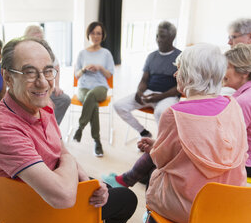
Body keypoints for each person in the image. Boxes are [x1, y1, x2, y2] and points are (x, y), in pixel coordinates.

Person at [0, 37, 137, 223]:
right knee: (128, 199)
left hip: (48, 189)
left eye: (48, 71)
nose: (43, 82)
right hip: (41, 212)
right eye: (30, 73)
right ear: (8, 77)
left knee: (105, 188)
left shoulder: (43, 106)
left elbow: (60, 150)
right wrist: (68, 159)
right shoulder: (1, 129)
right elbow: (63, 195)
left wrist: (89, 182)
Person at [103, 44, 248, 223]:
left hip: (190, 208)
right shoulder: (232, 104)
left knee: (156, 175)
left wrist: (156, 148)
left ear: (190, 74)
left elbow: (161, 160)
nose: (174, 75)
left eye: (178, 69)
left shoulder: (175, 114)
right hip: (231, 203)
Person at [113, 21, 181, 138]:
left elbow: (180, 86)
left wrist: (159, 96)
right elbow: (144, 79)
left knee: (160, 112)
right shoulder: (151, 56)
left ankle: (161, 143)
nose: (158, 39)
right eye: (157, 36)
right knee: (118, 105)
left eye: (162, 36)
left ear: (172, 37)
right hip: (149, 93)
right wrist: (139, 92)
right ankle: (143, 133)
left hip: (168, 96)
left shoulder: (180, 57)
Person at [72, 21, 114, 157]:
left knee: (92, 96)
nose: (96, 36)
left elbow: (109, 75)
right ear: (88, 35)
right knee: (93, 104)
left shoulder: (106, 53)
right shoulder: (82, 53)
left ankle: (80, 127)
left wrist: (100, 68)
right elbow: (76, 75)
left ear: (102, 36)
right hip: (83, 87)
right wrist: (84, 69)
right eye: (93, 33)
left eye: (99, 33)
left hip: (100, 87)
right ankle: (97, 141)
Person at [23, 25, 71, 125]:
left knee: (64, 99)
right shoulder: (24, 54)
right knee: (46, 106)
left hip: (46, 89)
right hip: (31, 92)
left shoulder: (47, 51)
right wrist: (46, 99)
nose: (39, 42)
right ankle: (42, 128)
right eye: (35, 39)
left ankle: (51, 127)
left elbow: (56, 66)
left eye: (40, 38)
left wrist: (56, 86)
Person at [224, 43, 251, 177]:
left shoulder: (243, 101)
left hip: (246, 166)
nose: (223, 71)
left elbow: (230, 141)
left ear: (244, 72)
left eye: (228, 67)